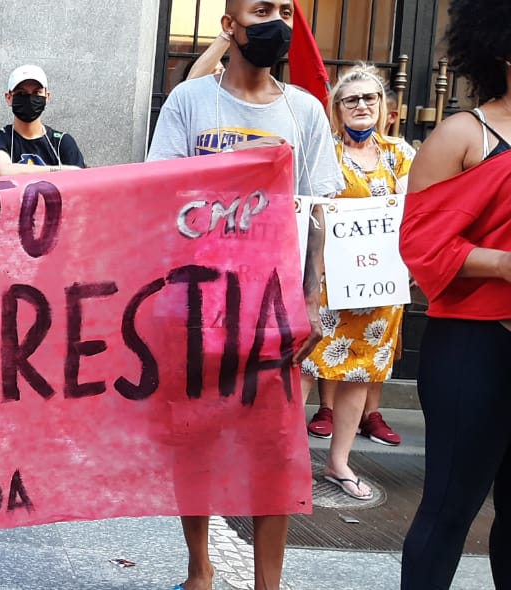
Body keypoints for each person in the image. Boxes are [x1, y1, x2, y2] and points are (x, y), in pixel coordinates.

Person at [146, 1, 343, 589]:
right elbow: (158, 193)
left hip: (273, 306)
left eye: (285, 9)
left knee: (276, 449)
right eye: (263, 9)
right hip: (197, 302)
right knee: (196, 437)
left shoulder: (304, 111)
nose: (278, 20)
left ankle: (268, 583)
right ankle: (199, 569)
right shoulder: (188, 102)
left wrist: (313, 301)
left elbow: (318, 215)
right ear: (229, 25)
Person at [398, 0, 511, 586]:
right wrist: (502, 265)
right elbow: (421, 248)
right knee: (448, 510)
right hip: (475, 347)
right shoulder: (465, 134)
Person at [301, 66, 413, 503]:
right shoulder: (323, 152)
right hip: (328, 283)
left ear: (383, 107)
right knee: (304, 370)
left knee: (361, 373)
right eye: (352, 100)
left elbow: (416, 212)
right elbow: (310, 212)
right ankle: (285, 461)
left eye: (370, 98)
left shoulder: (400, 154)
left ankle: (338, 462)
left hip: (379, 286)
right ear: (337, 108)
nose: (362, 105)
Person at [0, 64, 86, 177]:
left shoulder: (62, 142)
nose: (29, 99)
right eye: (21, 93)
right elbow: (3, 171)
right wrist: (60, 171)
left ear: (47, 97)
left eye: (36, 93)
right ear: (9, 98)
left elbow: (79, 181)